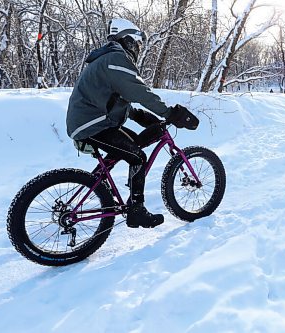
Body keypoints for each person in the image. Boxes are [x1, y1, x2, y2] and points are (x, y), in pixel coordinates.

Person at [66, 18, 198, 228]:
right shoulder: (116, 58)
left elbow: (113, 99)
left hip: (93, 121)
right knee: (137, 156)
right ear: (126, 40)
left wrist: (139, 116)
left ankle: (120, 188)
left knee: (132, 143)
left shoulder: (108, 59)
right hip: (92, 124)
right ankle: (136, 210)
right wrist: (169, 112)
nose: (137, 47)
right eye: (136, 42)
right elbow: (138, 91)